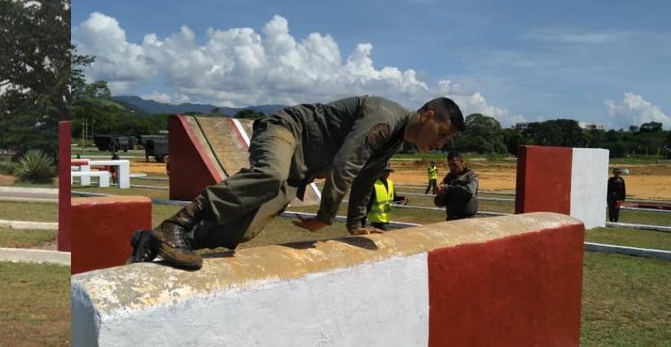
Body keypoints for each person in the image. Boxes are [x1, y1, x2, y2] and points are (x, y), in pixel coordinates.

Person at [130, 95, 465, 270]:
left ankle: (163, 242)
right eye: (443, 133)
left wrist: (356, 224)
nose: (442, 143)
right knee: (268, 175)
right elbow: (346, 166)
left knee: (242, 231)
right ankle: (178, 222)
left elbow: (366, 176)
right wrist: (325, 216)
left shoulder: (393, 141)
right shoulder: (384, 119)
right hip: (287, 130)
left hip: (301, 167)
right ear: (428, 115)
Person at [434, 151, 478, 221]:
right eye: (449, 165)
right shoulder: (448, 178)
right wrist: (441, 194)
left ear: (461, 162)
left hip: (467, 219)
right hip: (451, 219)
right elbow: (439, 204)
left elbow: (470, 191)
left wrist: (447, 187)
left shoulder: (470, 175)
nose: (452, 167)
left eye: (454, 165)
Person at [368, 163, 397, 232]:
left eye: (388, 171)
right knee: (386, 235)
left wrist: (402, 198)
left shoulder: (390, 183)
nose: (387, 173)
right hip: (376, 219)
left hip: (386, 217)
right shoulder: (374, 184)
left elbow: (394, 197)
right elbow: (368, 203)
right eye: (385, 171)